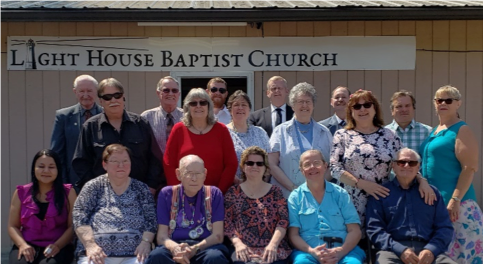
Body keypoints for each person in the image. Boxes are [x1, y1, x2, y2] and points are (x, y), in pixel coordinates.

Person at [330, 89, 433, 237]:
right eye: (357, 106)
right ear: (350, 111)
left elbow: (405, 163)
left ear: (375, 108)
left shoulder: (389, 135)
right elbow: (334, 168)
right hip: (350, 202)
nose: (362, 109)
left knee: (380, 245)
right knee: (354, 247)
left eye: (367, 105)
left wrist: (422, 180)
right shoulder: (342, 135)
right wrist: (361, 184)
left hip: (382, 200)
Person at [420, 85, 483, 263]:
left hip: (458, 207)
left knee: (463, 256)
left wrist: (455, 200)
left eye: (449, 100)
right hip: (436, 207)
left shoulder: (462, 130)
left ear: (458, 104)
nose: (443, 103)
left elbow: (469, 167)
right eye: (439, 100)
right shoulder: (435, 130)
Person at [72, 77, 164, 193]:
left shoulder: (140, 123)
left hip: (139, 194)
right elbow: (81, 163)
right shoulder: (90, 127)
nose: (113, 100)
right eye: (107, 97)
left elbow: (155, 158)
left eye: (117, 95)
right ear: (101, 101)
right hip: (104, 195)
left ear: (123, 97)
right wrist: (95, 189)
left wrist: (151, 186)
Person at [366, 148, 455, 264]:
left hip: (429, 251)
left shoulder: (432, 193)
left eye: (412, 163)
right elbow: (374, 229)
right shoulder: (381, 194)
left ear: (418, 167)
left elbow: (445, 227)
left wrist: (431, 250)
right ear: (394, 166)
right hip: (392, 251)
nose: (406, 166)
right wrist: (400, 250)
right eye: (401, 162)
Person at [73, 144, 157, 264]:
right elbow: (79, 217)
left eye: (125, 161)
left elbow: (151, 219)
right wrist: (90, 245)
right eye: (115, 161)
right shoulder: (93, 187)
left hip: (135, 256)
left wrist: (146, 242)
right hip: (98, 255)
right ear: (104, 164)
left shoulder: (141, 188)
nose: (121, 165)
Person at [145, 155, 229, 264]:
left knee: (215, 257)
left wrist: (195, 249)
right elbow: (162, 236)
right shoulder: (167, 193)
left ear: (205, 174)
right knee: (157, 256)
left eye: (198, 174)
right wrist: (175, 248)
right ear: (178, 174)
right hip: (174, 245)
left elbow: (218, 236)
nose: (194, 178)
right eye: (189, 173)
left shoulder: (214, 193)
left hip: (204, 247)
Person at [288, 149, 365, 264]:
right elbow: (293, 234)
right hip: (308, 253)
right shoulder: (295, 197)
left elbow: (355, 230)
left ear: (325, 166)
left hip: (344, 252)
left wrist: (340, 252)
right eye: (307, 164)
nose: (312, 167)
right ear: (302, 170)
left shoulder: (340, 194)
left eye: (317, 163)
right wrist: (312, 251)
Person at [224, 146, 292, 264]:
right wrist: (237, 243)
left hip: (273, 249)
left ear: (265, 168)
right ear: (243, 167)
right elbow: (227, 222)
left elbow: (283, 221)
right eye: (250, 163)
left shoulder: (276, 191)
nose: (255, 166)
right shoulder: (233, 192)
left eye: (259, 164)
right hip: (243, 249)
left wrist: (273, 245)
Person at [8, 149, 77, 264]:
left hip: (58, 245)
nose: (46, 171)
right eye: (41, 166)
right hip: (27, 243)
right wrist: (22, 245)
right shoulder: (21, 192)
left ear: (58, 170)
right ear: (34, 169)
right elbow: (12, 226)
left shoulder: (69, 192)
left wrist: (58, 245)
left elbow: (72, 227)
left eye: (51, 167)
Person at [164, 88, 238, 194]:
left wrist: (219, 192)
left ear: (209, 106)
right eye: (193, 103)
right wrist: (179, 191)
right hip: (184, 195)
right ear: (187, 108)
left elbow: (231, 164)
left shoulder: (221, 130)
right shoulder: (178, 129)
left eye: (203, 102)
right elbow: (168, 163)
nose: (198, 106)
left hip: (215, 195)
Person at [268, 82, 332, 198]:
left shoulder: (324, 132)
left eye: (308, 102)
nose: (304, 105)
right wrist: (293, 188)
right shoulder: (280, 131)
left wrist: (317, 187)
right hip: (287, 196)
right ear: (292, 105)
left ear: (313, 105)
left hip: (318, 196)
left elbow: (332, 165)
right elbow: (272, 164)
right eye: (300, 102)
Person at [50, 75, 103, 192]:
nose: (85, 95)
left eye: (89, 91)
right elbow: (57, 153)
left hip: (102, 181)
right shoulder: (63, 116)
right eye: (81, 91)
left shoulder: (107, 114)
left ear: (97, 91)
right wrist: (63, 183)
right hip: (73, 183)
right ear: (75, 92)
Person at [226, 90, 270, 181]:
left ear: (249, 110)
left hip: (259, 187)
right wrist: (239, 182)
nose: (240, 108)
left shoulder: (260, 132)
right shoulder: (223, 133)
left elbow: (268, 162)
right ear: (230, 110)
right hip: (233, 188)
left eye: (244, 105)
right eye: (236, 105)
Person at [141, 76, 183, 153]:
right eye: (166, 90)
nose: (171, 94)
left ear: (179, 94)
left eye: (174, 90)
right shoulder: (147, 117)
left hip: (181, 163)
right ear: (158, 93)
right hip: (155, 164)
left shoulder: (186, 116)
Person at [385, 90, 432, 155]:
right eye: (399, 106)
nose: (404, 110)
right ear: (392, 111)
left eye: (407, 106)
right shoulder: (384, 133)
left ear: (413, 108)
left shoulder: (427, 132)